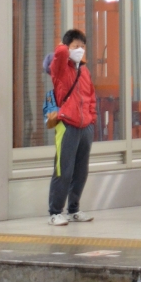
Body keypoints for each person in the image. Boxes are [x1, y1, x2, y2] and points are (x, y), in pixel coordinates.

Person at [47, 28, 97, 226]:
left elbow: (91, 97)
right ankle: (55, 212)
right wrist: (64, 47)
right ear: (67, 48)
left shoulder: (84, 70)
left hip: (85, 126)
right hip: (67, 124)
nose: (81, 50)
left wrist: (92, 118)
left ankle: (73, 209)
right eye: (76, 46)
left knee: (80, 171)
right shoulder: (60, 68)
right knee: (63, 170)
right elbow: (59, 55)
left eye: (83, 46)